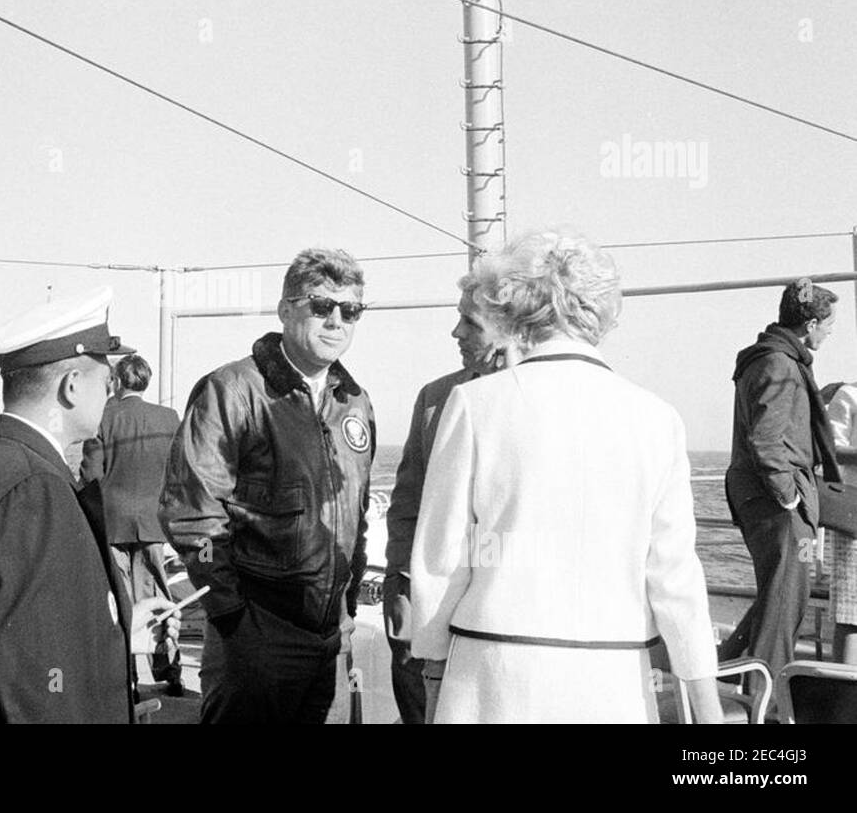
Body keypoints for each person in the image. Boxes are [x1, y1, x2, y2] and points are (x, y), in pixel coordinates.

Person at [409, 230, 723, 723]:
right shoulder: (658, 419)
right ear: (601, 311)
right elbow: (675, 577)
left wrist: (431, 661)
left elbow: (442, 558)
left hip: (491, 674)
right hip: (614, 679)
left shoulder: (475, 405)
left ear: (523, 307)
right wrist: (708, 711)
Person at [0, 285, 179, 723]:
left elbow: (39, 639)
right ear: (71, 386)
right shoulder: (33, 491)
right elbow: (41, 690)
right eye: (106, 383)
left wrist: (117, 629)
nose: (108, 397)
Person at [160, 247, 375, 724]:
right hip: (258, 637)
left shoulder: (354, 403)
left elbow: (355, 517)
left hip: (331, 638)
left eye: (351, 310)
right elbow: (192, 512)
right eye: (321, 306)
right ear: (285, 310)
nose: (336, 320)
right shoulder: (233, 390)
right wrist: (232, 612)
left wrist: (348, 604)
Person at [382, 278, 501, 724]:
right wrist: (400, 581)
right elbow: (408, 501)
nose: (456, 333)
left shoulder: (541, 401)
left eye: (470, 322)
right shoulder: (437, 399)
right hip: (431, 593)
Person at [718, 279, 841, 681]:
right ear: (810, 324)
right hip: (778, 500)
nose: (830, 331)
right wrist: (790, 497)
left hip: (764, 494)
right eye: (828, 324)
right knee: (788, 595)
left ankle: (727, 666)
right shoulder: (779, 364)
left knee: (780, 592)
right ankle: (765, 697)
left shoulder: (770, 359)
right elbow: (766, 438)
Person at [81, 353, 184, 694]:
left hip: (112, 523)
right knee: (158, 597)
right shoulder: (168, 418)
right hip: (154, 524)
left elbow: (91, 475)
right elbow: (179, 472)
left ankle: (127, 678)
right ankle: (169, 671)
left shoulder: (103, 417)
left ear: (118, 381)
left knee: (120, 603)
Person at [824, 381, 857, 664]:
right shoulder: (849, 395)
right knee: (851, 612)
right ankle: (845, 700)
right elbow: (830, 449)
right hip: (853, 512)